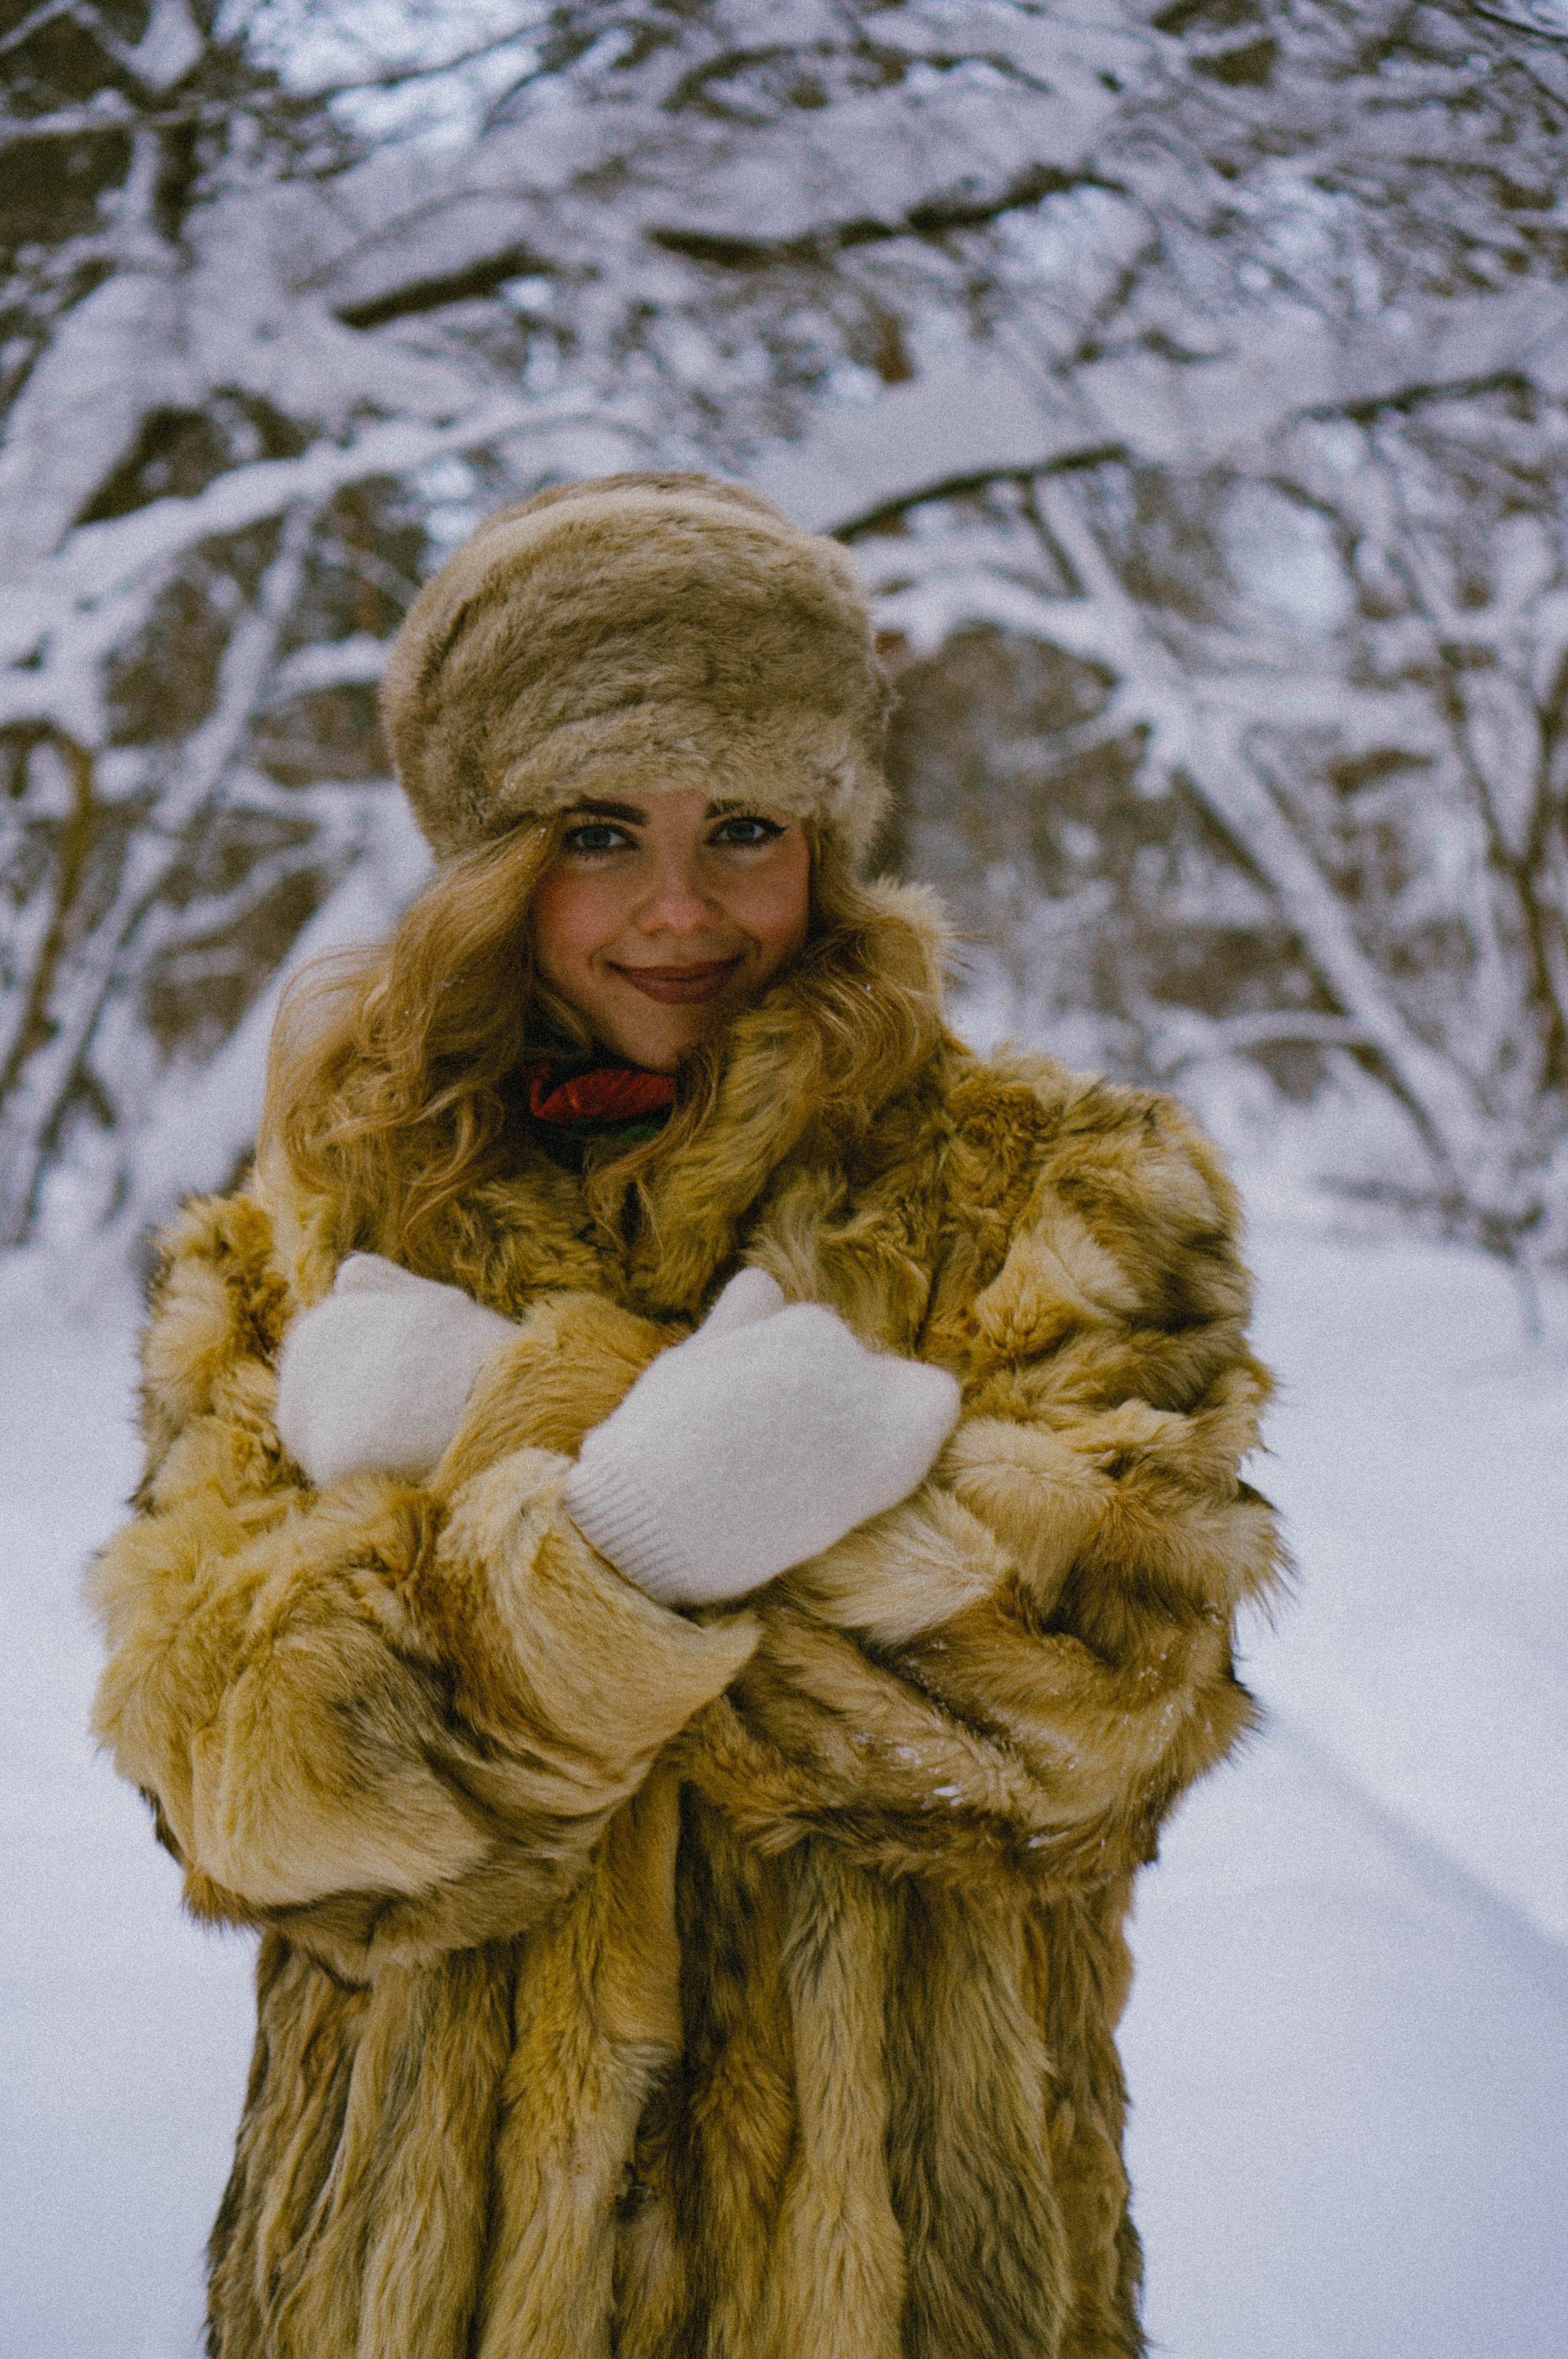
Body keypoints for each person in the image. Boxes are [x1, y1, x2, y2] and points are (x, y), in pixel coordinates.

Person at [90, 473, 1281, 2359]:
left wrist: (497, 1471)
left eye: (743, 826)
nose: (677, 910)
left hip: (897, 2293)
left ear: (830, 835)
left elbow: (1095, 1707)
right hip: (409, 2301)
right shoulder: (303, 1246)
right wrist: (644, 1525)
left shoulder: (1053, 1191)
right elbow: (239, 1797)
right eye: (595, 831)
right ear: (489, 850)